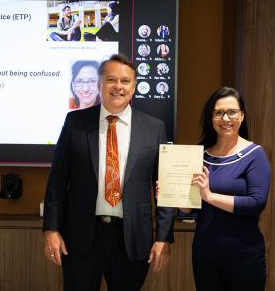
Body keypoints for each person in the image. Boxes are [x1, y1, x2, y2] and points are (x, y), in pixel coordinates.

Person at [43, 54, 175, 291]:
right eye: (111, 79)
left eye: (125, 81)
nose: (118, 86)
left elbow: (164, 187)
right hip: (82, 236)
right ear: (99, 84)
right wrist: (52, 229)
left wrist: (163, 237)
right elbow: (57, 181)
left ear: (134, 86)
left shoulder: (155, 128)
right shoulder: (76, 122)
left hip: (132, 238)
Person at [187, 87, 271, 291]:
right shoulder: (200, 155)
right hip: (205, 256)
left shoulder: (254, 154)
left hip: (244, 257)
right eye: (218, 112)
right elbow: (191, 208)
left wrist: (209, 196)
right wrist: (173, 195)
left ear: (241, 116)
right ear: (211, 117)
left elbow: (256, 203)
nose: (225, 118)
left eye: (232, 112)